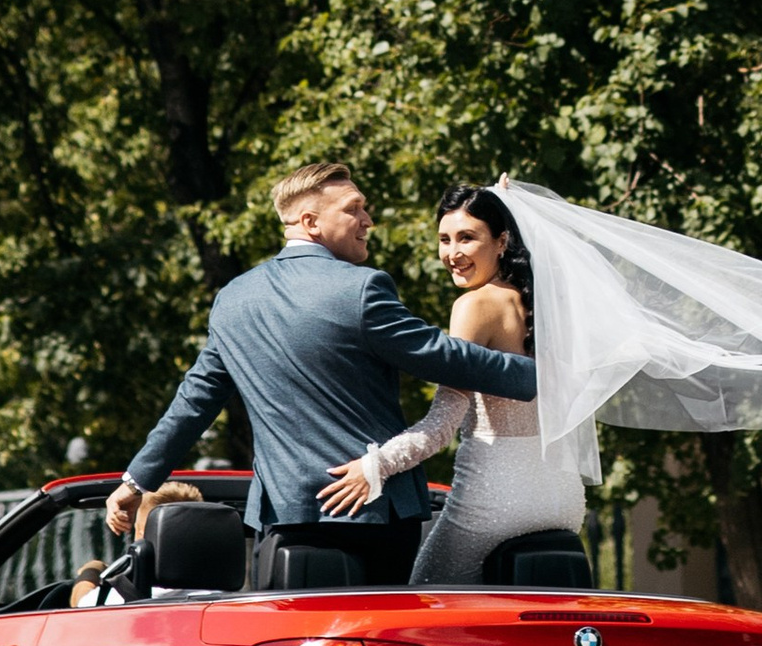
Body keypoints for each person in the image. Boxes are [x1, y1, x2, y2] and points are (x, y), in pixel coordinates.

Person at [104, 158, 541, 557]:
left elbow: (196, 400)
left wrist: (138, 479)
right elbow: (443, 357)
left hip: (283, 523)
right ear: (311, 221)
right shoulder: (362, 289)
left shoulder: (233, 299)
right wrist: (544, 376)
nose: (368, 220)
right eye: (354, 209)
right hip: (376, 519)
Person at [313, 184, 588, 583]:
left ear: (502, 241)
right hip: (563, 499)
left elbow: (443, 424)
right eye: (444, 239)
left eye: (467, 238)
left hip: (497, 499)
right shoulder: (546, 303)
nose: (452, 254)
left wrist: (374, 467)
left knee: (423, 602)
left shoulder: (475, 305)